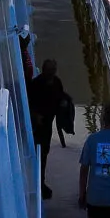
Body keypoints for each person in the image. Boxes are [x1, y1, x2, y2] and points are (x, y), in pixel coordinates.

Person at [28, 59, 69, 199]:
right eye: (49, 70)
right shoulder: (36, 84)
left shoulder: (56, 82)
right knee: (38, 153)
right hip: (37, 126)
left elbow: (60, 96)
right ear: (44, 70)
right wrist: (35, 116)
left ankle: (41, 181)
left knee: (44, 153)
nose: (51, 73)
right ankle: (36, 182)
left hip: (48, 124)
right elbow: (29, 103)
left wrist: (64, 104)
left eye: (53, 70)